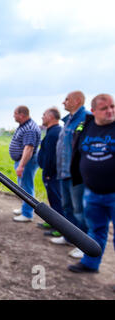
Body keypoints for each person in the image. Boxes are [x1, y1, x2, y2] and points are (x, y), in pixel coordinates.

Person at [67, 94, 115, 274]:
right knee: (96, 230)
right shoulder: (86, 127)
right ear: (94, 111)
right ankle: (90, 263)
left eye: (113, 106)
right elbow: (77, 152)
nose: (110, 111)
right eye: (104, 108)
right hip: (92, 192)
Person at [51, 91, 90, 259]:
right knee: (67, 207)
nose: (63, 102)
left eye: (67, 99)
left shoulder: (87, 119)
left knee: (79, 209)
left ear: (77, 101)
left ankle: (84, 244)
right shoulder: (68, 121)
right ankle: (69, 237)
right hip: (63, 172)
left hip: (77, 174)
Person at [9, 106, 41, 222]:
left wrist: (21, 165)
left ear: (21, 115)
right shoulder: (25, 125)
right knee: (23, 186)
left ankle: (27, 214)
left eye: (15, 113)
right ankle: (24, 208)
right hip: (23, 161)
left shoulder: (29, 128)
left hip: (27, 161)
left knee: (26, 187)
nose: (14, 115)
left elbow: (29, 149)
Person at [37, 107, 63, 236]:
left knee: (57, 199)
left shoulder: (54, 133)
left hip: (52, 174)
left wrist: (47, 173)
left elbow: (52, 157)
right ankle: (53, 222)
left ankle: (61, 228)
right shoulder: (52, 131)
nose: (42, 117)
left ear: (51, 117)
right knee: (52, 198)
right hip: (51, 173)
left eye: (44, 114)